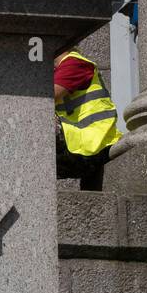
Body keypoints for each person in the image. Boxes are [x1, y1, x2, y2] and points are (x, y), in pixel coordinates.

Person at [54, 45, 121, 188]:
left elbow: (42, 97)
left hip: (93, 144)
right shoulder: (60, 69)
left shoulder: (74, 63)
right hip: (82, 144)